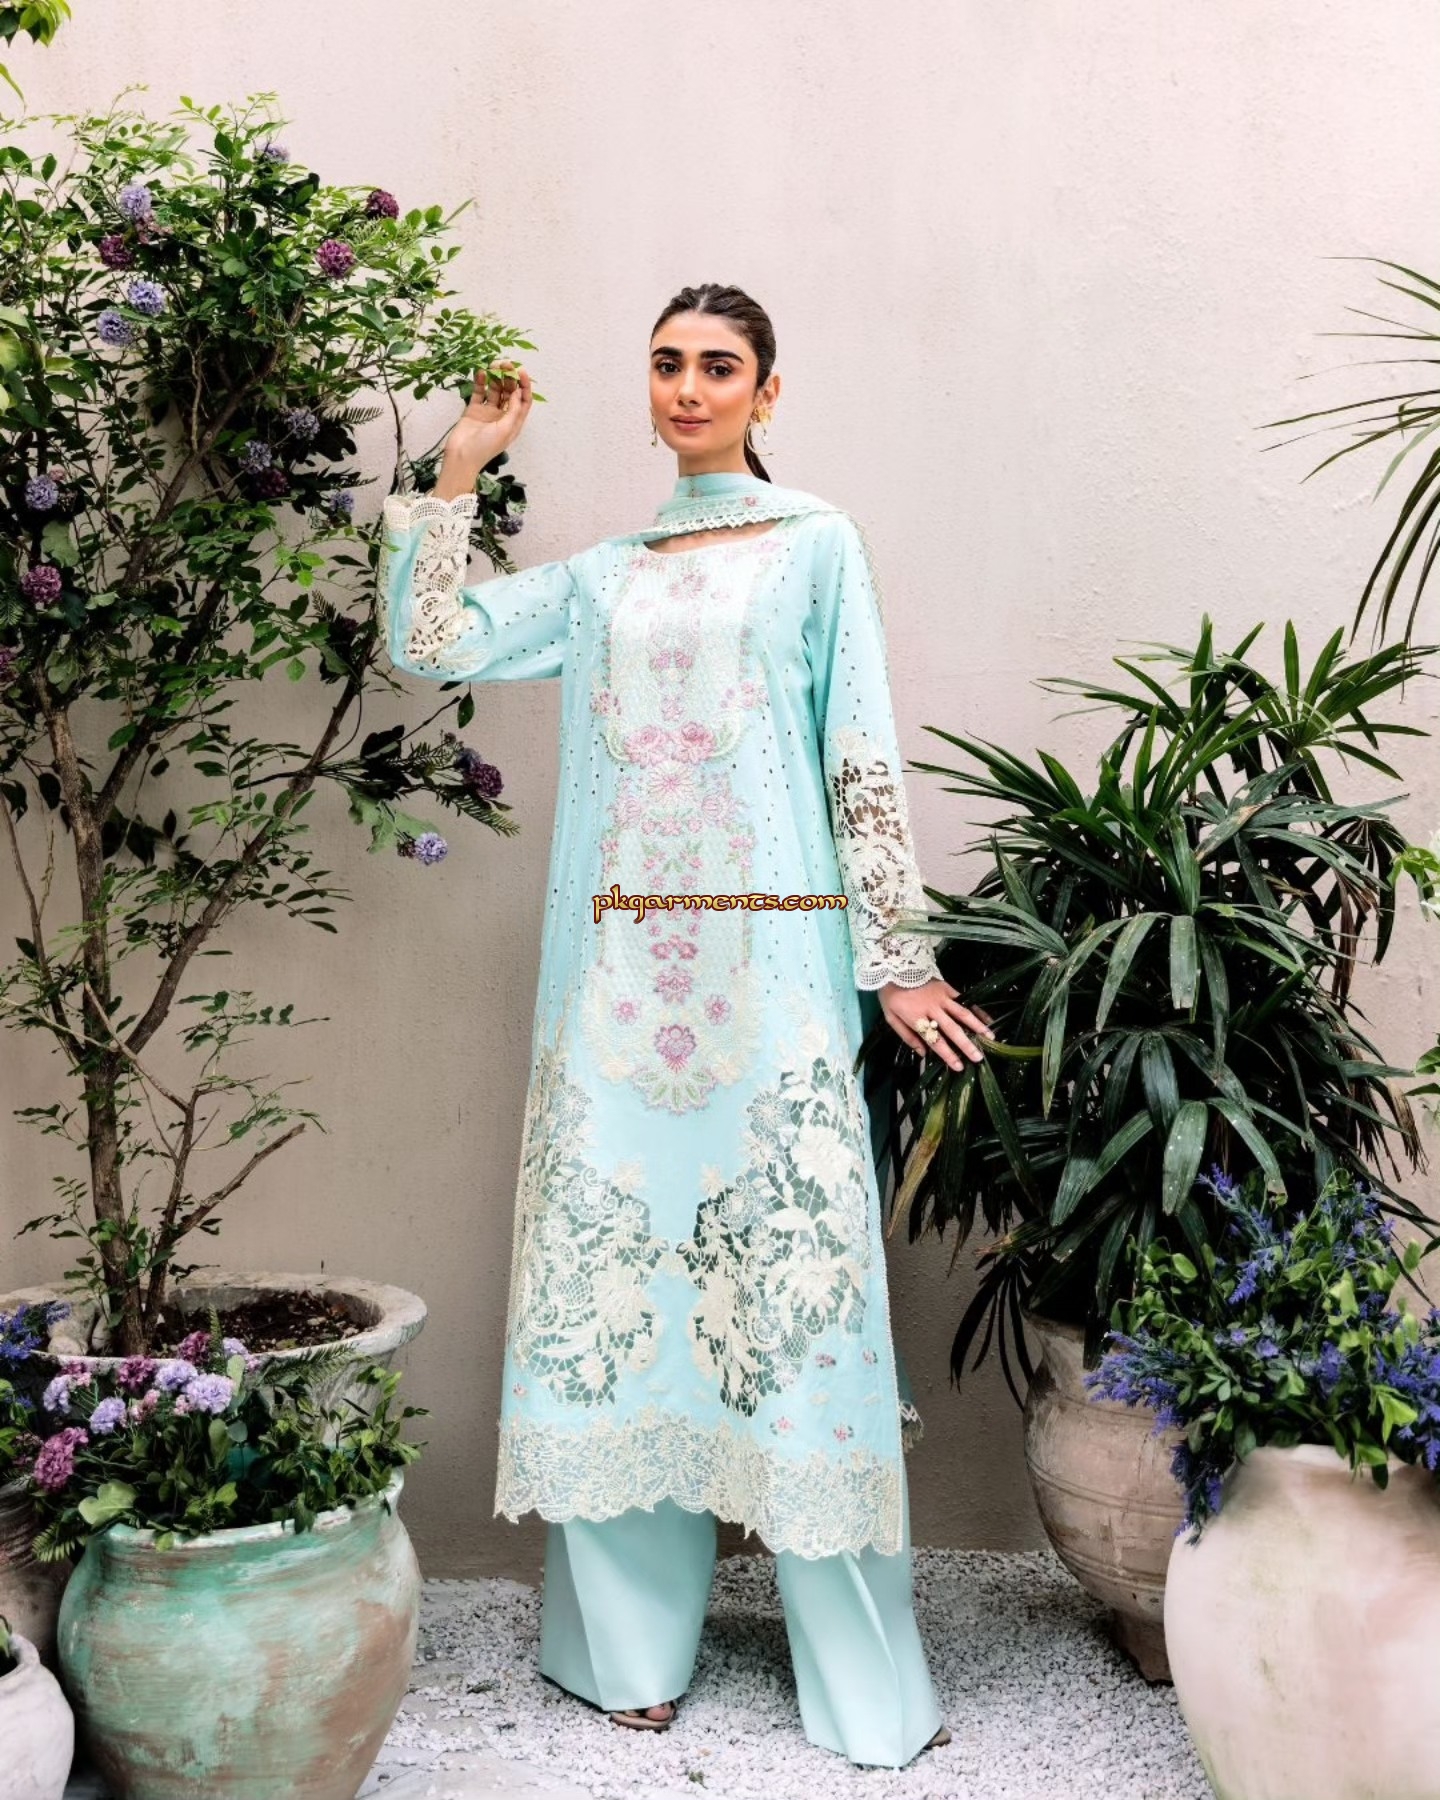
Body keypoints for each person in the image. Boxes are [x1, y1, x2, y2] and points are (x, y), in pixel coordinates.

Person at [375, 282, 992, 1769]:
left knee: (798, 1305)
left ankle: (863, 1685)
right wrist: (459, 464)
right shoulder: (603, 580)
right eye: (667, 365)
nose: (690, 388)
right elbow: (431, 638)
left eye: (720, 366)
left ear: (767, 392)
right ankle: (623, 1654)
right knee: (617, 1312)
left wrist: (897, 963)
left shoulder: (815, 548)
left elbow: (857, 753)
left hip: (773, 992)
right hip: (612, 1004)